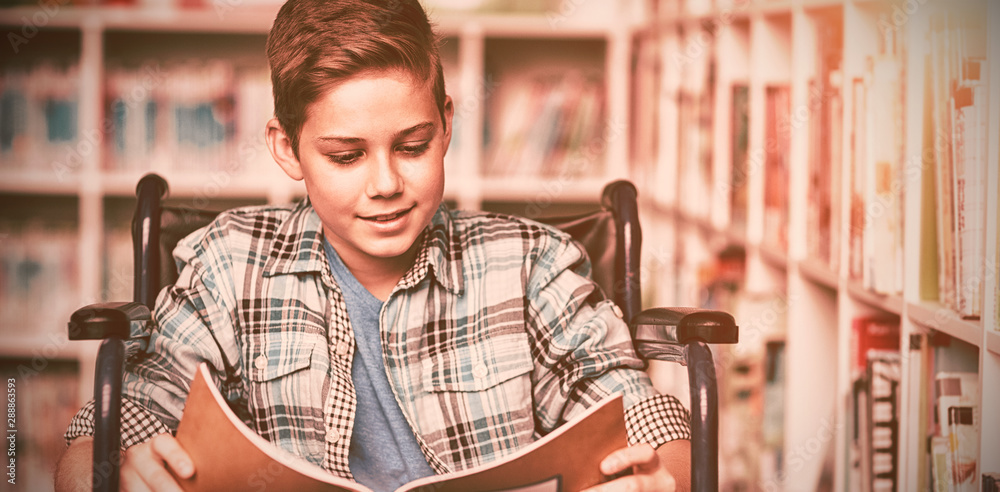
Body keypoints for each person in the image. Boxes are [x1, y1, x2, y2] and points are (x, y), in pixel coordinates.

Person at [55, 0, 692, 490]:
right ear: (287, 150)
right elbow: (103, 437)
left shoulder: (531, 266)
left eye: (412, 146)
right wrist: (112, 472)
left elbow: (651, 424)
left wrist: (660, 474)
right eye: (346, 155)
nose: (386, 184)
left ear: (446, 125)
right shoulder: (229, 265)